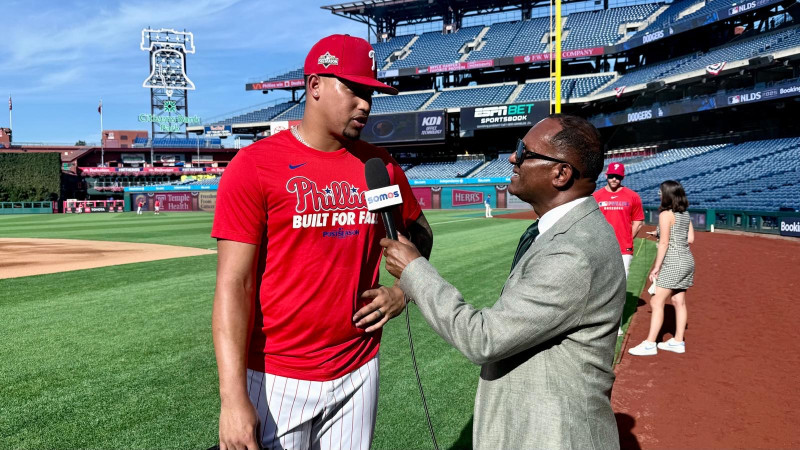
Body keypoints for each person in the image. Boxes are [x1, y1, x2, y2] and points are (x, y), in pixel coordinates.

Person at [211, 34, 433, 450]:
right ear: (315, 85)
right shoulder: (254, 166)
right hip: (276, 375)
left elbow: (420, 232)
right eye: (354, 89)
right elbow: (233, 284)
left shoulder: (380, 167)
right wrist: (233, 399)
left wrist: (404, 290)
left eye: (370, 93)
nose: (365, 104)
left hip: (359, 367)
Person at [376, 114, 626, 449]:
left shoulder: (573, 252)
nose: (512, 158)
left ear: (561, 174)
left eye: (524, 151)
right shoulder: (565, 231)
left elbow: (484, 339)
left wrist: (414, 270)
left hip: (554, 435)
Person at [628, 180, 694, 356]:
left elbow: (664, 243)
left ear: (667, 195)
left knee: (656, 301)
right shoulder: (685, 213)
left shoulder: (665, 214)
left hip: (673, 262)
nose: (659, 195)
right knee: (678, 301)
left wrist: (656, 267)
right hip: (687, 260)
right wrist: (660, 233)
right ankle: (678, 341)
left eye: (660, 192)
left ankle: (650, 344)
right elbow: (690, 238)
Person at [592, 162, 644, 335]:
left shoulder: (632, 196)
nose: (614, 179)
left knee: (619, 288)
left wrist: (628, 237)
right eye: (612, 176)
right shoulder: (596, 196)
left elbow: (638, 221)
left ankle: (616, 324)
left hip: (624, 249)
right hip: (602, 248)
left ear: (622, 177)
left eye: (618, 177)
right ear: (606, 176)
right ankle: (599, 323)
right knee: (600, 286)